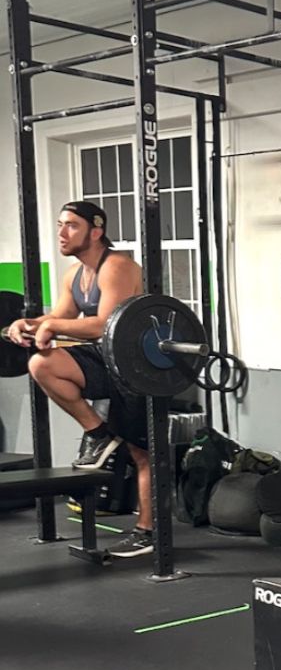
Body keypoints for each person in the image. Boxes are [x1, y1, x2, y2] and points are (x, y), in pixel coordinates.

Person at [5, 201, 155, 558]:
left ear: (96, 231)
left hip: (136, 366)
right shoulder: (73, 275)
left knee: (143, 454)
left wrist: (52, 326)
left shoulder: (116, 266)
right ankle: (99, 435)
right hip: (104, 359)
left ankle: (147, 533)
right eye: (60, 224)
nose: (61, 233)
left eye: (71, 225)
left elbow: (104, 324)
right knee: (43, 364)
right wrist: (27, 324)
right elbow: (60, 316)